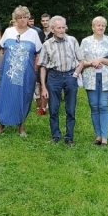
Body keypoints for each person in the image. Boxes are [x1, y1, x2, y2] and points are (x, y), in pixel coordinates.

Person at [0, 6, 41, 136]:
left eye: (25, 17)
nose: (22, 20)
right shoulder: (9, 32)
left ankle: (21, 126)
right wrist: (0, 68)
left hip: (26, 74)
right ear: (15, 19)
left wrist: (35, 72)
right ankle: (1, 124)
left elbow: (37, 55)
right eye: (19, 17)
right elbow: (2, 51)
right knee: (4, 95)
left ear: (28, 18)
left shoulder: (33, 34)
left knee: (24, 97)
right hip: (8, 72)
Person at [39, 15, 82, 145]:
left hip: (70, 76)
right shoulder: (47, 45)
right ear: (52, 29)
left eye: (64, 27)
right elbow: (42, 67)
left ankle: (69, 138)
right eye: (59, 28)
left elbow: (81, 61)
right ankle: (55, 136)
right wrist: (43, 87)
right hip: (54, 77)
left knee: (70, 109)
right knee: (53, 108)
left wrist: (75, 74)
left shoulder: (72, 40)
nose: (62, 30)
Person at [80, 16, 108, 146]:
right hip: (90, 78)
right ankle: (97, 135)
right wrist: (91, 63)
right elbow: (80, 62)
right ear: (93, 27)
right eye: (98, 25)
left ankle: (105, 137)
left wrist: (103, 60)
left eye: (103, 25)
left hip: (106, 78)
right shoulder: (85, 41)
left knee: (103, 105)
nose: (101, 27)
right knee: (94, 106)